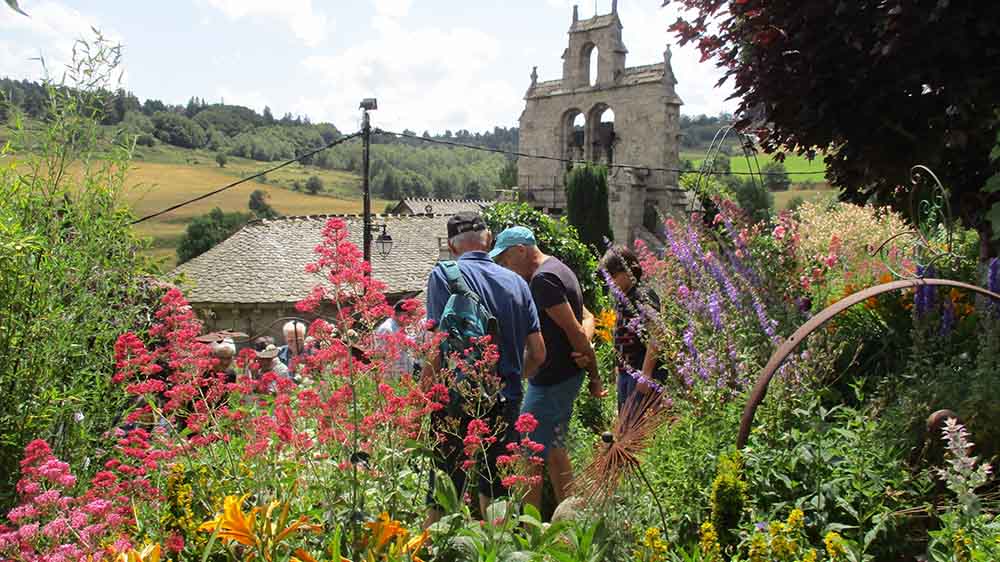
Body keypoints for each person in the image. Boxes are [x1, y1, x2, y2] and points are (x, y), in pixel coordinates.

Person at [422, 212, 546, 526]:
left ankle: (434, 550)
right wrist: (512, 380)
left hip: (454, 399)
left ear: (452, 246)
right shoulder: (518, 283)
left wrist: (426, 394)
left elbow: (436, 346)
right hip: (506, 399)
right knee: (496, 486)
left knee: (445, 484)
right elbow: (539, 353)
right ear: (488, 240)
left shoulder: (444, 274)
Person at [489, 226, 604, 513]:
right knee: (553, 449)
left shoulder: (542, 281)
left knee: (528, 453)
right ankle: (572, 518)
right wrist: (583, 355)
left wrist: (595, 374)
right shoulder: (560, 268)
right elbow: (588, 318)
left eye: (505, 261)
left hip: (551, 381)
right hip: (564, 377)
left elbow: (576, 330)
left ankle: (530, 532)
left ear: (520, 250)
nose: (506, 269)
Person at [600, 246, 668, 414]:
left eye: (613, 276)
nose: (611, 282)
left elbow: (657, 334)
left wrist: (646, 375)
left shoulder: (642, 295)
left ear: (628, 270)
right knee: (625, 427)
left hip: (641, 373)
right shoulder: (623, 297)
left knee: (635, 429)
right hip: (627, 373)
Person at [375, 300, 415, 379]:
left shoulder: (401, 327)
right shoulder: (387, 329)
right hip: (392, 378)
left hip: (403, 378)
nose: (411, 319)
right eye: (409, 315)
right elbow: (381, 356)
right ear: (401, 314)